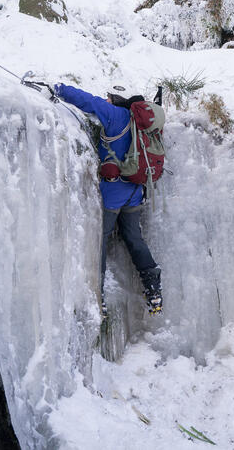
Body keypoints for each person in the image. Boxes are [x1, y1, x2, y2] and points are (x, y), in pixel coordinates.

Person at [53, 81, 162, 317]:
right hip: (135, 192)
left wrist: (59, 88)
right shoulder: (141, 122)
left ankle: (97, 294)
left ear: (118, 100)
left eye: (110, 96)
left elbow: (86, 100)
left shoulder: (115, 115)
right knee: (134, 238)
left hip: (112, 194)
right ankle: (153, 288)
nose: (106, 100)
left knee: (98, 240)